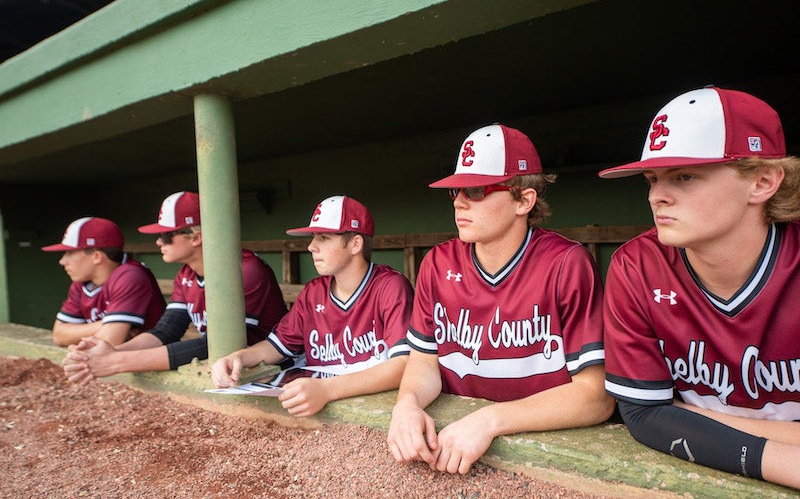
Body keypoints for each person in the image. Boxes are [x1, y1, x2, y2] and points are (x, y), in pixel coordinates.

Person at [598, 86, 800, 489]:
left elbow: (663, 415)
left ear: (762, 182)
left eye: (684, 176)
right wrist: (781, 460)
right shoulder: (636, 266)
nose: (656, 195)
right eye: (653, 178)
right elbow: (642, 415)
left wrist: (686, 416)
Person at [387, 124, 614, 474]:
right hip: (451, 447)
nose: (460, 201)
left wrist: (490, 420)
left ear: (524, 200)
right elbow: (424, 362)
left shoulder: (566, 263)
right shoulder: (437, 262)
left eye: (476, 190)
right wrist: (407, 403)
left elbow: (596, 396)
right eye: (456, 190)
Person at [211, 195, 414, 417]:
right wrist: (237, 358)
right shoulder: (313, 292)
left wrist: (326, 390)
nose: (311, 246)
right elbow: (275, 347)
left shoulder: (390, 287)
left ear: (355, 244)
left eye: (324, 238)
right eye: (313, 237)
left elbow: (403, 364)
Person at [62, 191, 287, 382]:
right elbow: (167, 330)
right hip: (233, 371)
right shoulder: (187, 273)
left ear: (196, 237)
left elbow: (219, 345)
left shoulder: (244, 269)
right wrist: (108, 352)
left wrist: (116, 361)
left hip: (275, 370)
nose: (159, 242)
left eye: (166, 235)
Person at [43, 216, 165, 347]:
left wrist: (108, 330)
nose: (62, 261)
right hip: (115, 360)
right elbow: (59, 335)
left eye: (70, 253)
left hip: (154, 360)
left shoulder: (130, 275)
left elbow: (110, 340)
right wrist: (105, 325)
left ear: (96, 256)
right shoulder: (81, 281)